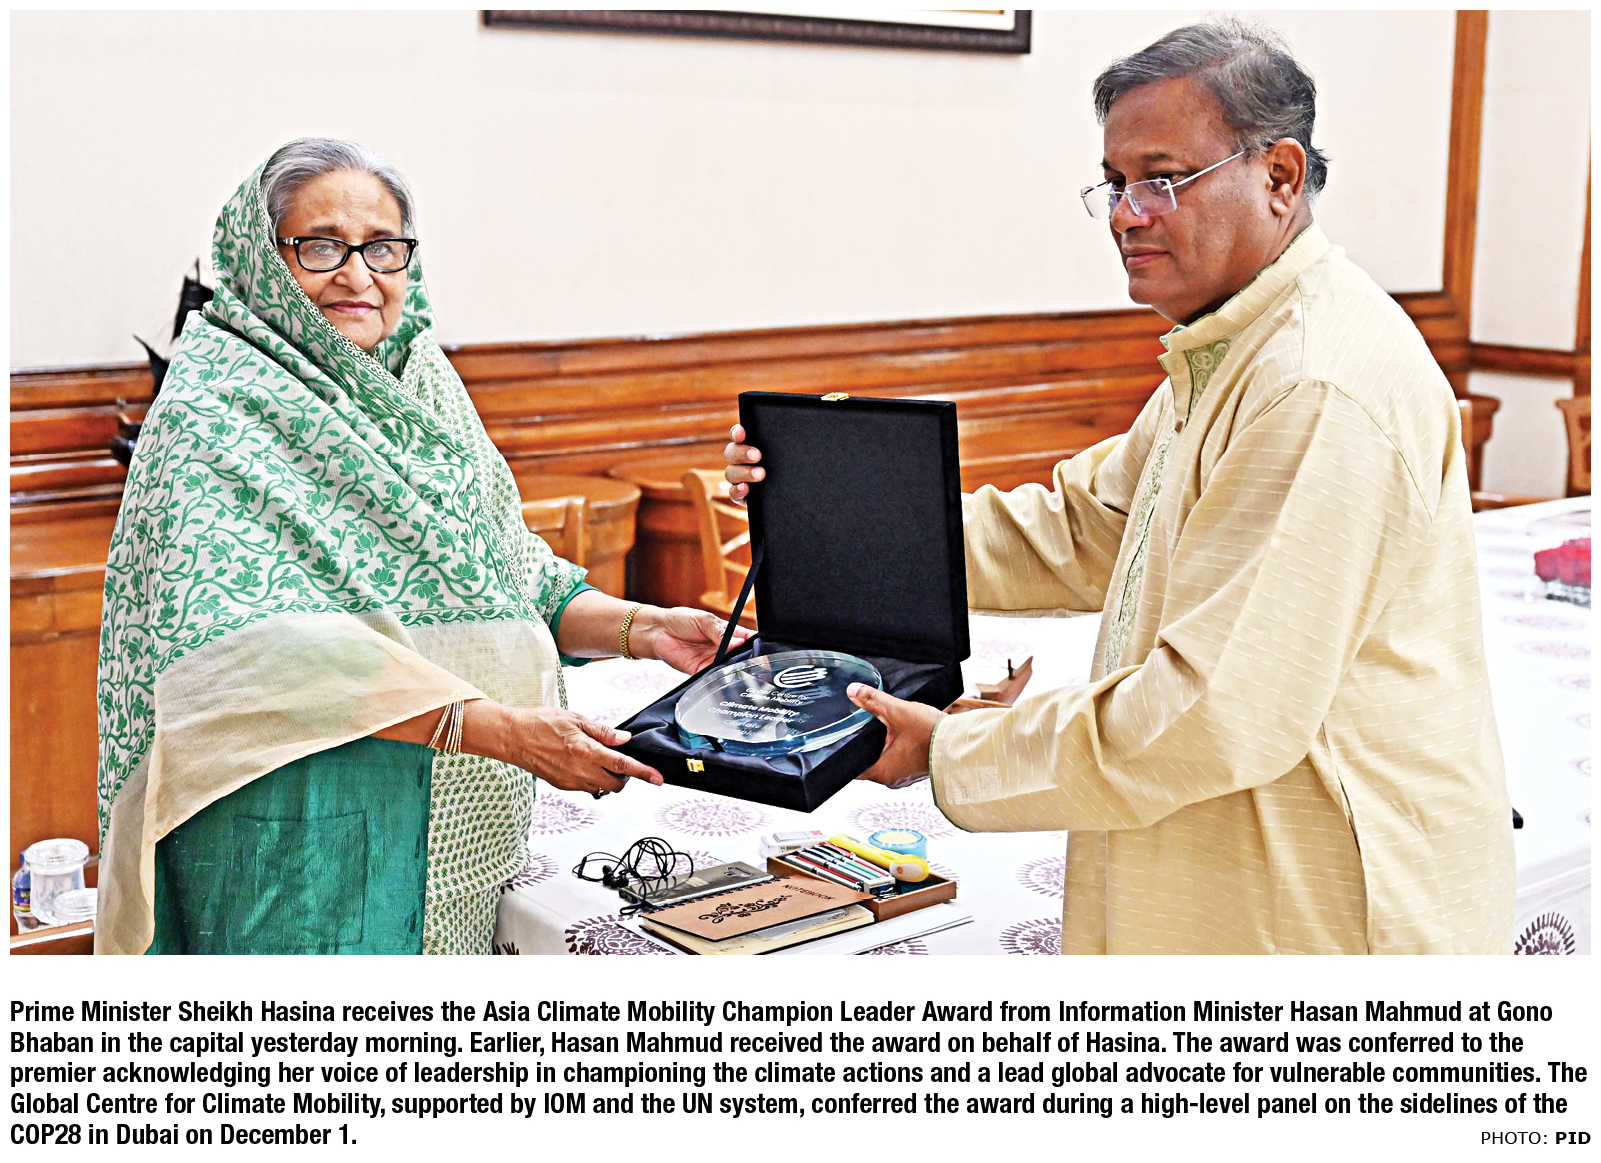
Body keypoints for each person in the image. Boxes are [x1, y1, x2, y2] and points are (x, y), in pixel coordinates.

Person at [726, 21, 1515, 954]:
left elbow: (1212, 712)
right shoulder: (1233, 346)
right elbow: (1086, 525)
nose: (1125, 214)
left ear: (1279, 175)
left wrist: (947, 748)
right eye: (1114, 182)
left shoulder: (1312, 383)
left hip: (1325, 904)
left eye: (1162, 178)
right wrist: (826, 519)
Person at [97, 138, 748, 955]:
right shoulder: (214, 399)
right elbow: (248, 651)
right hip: (300, 838)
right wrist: (501, 732)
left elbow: (507, 573)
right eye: (320, 246)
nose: (357, 275)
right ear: (262, 260)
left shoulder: (421, 381)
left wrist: (642, 628)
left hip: (458, 825)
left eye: (382, 247)